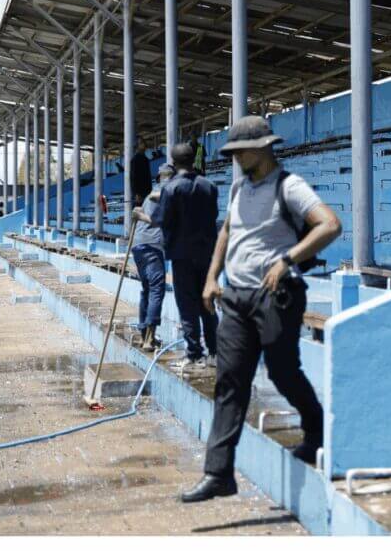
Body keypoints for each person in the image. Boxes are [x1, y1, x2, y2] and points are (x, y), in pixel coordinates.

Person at [181, 116, 341, 503]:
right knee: (229, 382)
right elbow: (226, 232)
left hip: (276, 297)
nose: (235, 158)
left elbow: (330, 224)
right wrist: (212, 277)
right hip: (236, 298)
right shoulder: (239, 189)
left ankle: (316, 428)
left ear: (263, 148)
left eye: (240, 151)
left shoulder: (290, 186)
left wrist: (288, 259)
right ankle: (218, 472)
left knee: (284, 373)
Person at [151, 143, 219, 370]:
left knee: (187, 304)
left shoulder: (171, 189)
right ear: (193, 160)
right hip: (206, 252)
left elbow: (162, 219)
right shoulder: (209, 186)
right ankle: (214, 352)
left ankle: (194, 353)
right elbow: (214, 216)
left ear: (174, 162)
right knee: (207, 303)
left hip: (181, 254)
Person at [131, 164, 175, 351]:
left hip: (138, 247)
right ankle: (149, 339)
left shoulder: (152, 194)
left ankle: (144, 336)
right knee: (157, 290)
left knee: (147, 290)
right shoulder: (166, 190)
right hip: (151, 247)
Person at [130, 137, 152, 204]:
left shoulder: (145, 159)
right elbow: (133, 178)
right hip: (140, 194)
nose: (144, 144)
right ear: (137, 146)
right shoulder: (135, 159)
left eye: (144, 142)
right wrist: (136, 193)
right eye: (141, 143)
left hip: (147, 192)